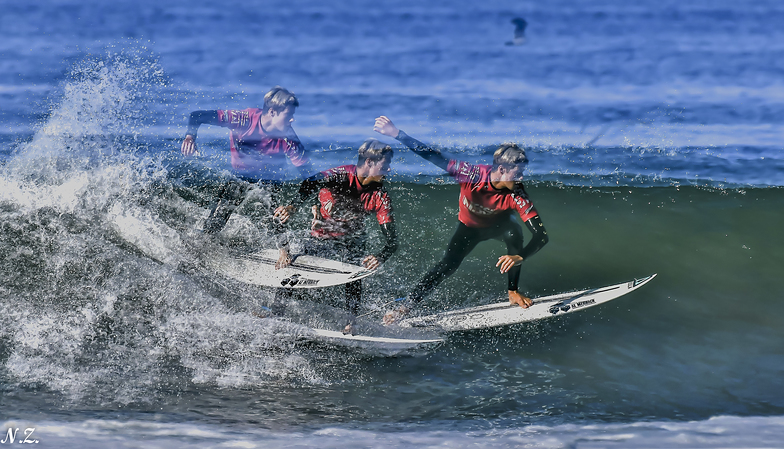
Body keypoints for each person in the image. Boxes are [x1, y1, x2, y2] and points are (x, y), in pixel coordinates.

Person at [373, 116, 548, 324]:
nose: (520, 178)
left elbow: (541, 235)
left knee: (515, 235)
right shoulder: (470, 174)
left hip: (499, 227)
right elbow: (432, 155)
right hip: (469, 229)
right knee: (447, 265)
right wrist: (396, 133)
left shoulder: (517, 193)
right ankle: (405, 307)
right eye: (517, 173)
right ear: (501, 170)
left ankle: (512, 291)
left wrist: (521, 256)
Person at [275, 138, 398, 333]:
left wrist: (380, 256)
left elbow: (392, 241)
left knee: (355, 271)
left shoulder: (380, 196)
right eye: (386, 165)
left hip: (351, 238)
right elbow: (311, 181)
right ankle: (276, 312)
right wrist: (293, 205)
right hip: (321, 234)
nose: (389, 170)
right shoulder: (342, 175)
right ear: (369, 163)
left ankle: (351, 322)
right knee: (295, 268)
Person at [180, 86, 313, 234]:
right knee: (217, 218)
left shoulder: (289, 138)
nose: (292, 119)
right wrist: (190, 137)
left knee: (275, 216)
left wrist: (293, 206)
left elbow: (311, 177)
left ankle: (285, 253)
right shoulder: (243, 120)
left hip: (270, 177)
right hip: (240, 175)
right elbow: (197, 116)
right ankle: (205, 239)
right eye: (288, 115)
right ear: (272, 112)